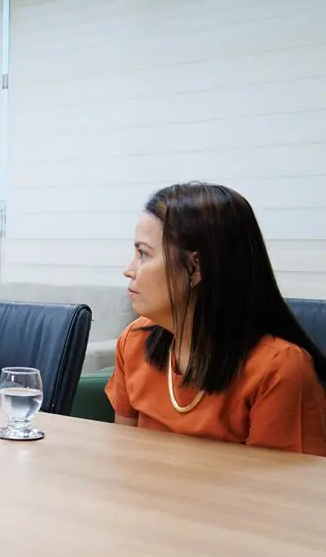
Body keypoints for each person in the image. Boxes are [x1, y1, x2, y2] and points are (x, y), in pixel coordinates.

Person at [106, 181, 326, 455]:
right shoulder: (134, 342)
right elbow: (123, 457)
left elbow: (280, 482)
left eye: (143, 254)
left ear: (196, 267)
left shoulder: (279, 370)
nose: (128, 270)